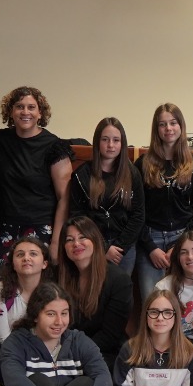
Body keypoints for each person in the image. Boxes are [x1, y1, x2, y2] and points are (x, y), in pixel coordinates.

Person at [0, 85, 72, 275]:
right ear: (11, 112)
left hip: (40, 229)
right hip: (3, 227)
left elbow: (64, 198)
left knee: (37, 288)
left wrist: (57, 241)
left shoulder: (54, 146)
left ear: (40, 113)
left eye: (31, 107)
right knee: (0, 287)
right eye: (19, 106)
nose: (25, 112)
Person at [136, 103, 193, 299]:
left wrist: (180, 246)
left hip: (183, 239)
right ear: (156, 129)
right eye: (162, 124)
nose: (168, 128)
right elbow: (136, 212)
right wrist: (151, 248)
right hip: (150, 240)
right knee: (151, 300)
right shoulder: (142, 164)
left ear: (181, 126)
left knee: (185, 301)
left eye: (173, 123)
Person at [70, 117, 146, 274]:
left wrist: (120, 247)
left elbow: (138, 214)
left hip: (123, 249)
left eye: (116, 140)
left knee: (121, 287)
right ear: (97, 142)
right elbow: (78, 217)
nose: (111, 145)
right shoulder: (81, 175)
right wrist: (103, 247)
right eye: (105, 139)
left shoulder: (132, 173)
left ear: (122, 143)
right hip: (92, 246)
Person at [57, 217, 134, 369]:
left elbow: (110, 335)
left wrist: (73, 355)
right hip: (64, 352)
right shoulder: (58, 276)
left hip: (105, 354)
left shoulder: (119, 280)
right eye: (69, 240)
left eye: (82, 237)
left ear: (95, 240)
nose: (76, 244)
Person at [0, 236, 49, 345]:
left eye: (33, 254)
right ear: (13, 265)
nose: (26, 258)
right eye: (20, 254)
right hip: (11, 351)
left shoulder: (53, 293)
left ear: (44, 264)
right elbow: (4, 339)